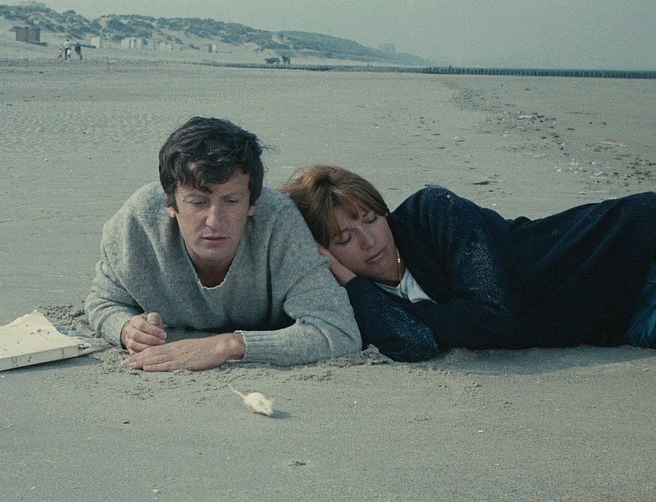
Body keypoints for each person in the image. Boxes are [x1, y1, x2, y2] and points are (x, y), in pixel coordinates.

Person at [280, 164, 656, 362]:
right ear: (323, 252)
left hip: (633, 249)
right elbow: (413, 342)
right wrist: (351, 282)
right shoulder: (354, 297)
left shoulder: (434, 212)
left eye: (371, 218)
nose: (370, 241)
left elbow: (491, 319)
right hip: (624, 319)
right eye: (344, 239)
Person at [84, 119, 361, 371]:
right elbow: (103, 301)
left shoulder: (279, 223)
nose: (214, 221)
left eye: (231, 201)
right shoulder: (137, 224)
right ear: (170, 202)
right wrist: (126, 329)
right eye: (198, 202)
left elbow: (338, 331)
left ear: (252, 203)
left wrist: (227, 346)